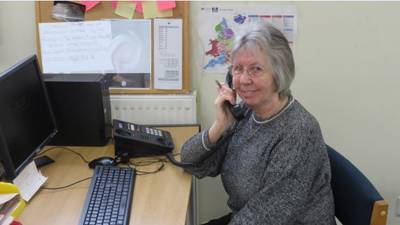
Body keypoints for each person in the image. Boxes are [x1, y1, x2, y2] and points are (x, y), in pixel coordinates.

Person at [181, 22, 336, 225]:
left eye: (256, 69)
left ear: (279, 74)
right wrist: (220, 125)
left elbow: (267, 216)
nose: (244, 80)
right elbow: (191, 162)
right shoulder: (245, 112)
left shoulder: (298, 131)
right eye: (237, 69)